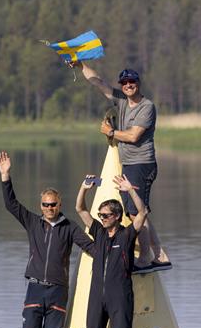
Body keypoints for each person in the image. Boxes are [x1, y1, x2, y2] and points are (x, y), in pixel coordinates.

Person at [0, 151, 94, 328]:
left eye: (53, 204)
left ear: (59, 205)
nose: (49, 208)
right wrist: (5, 176)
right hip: (35, 287)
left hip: (58, 290)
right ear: (41, 206)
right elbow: (11, 205)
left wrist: (115, 245)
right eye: (45, 205)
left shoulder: (69, 227)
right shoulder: (33, 222)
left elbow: (91, 247)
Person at [71, 61, 171, 273]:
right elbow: (98, 83)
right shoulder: (122, 101)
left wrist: (110, 132)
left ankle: (145, 258)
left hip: (141, 164)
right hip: (130, 164)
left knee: (137, 213)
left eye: (131, 81)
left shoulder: (147, 107)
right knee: (138, 212)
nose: (128, 85)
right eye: (124, 82)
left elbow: (134, 136)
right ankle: (160, 255)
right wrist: (80, 65)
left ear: (138, 83)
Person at [75, 173, 149, 328]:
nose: (102, 218)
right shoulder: (98, 232)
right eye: (101, 215)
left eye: (106, 215)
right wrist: (84, 188)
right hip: (97, 297)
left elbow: (143, 213)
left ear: (117, 216)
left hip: (120, 298)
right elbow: (80, 209)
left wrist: (130, 190)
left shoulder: (126, 235)